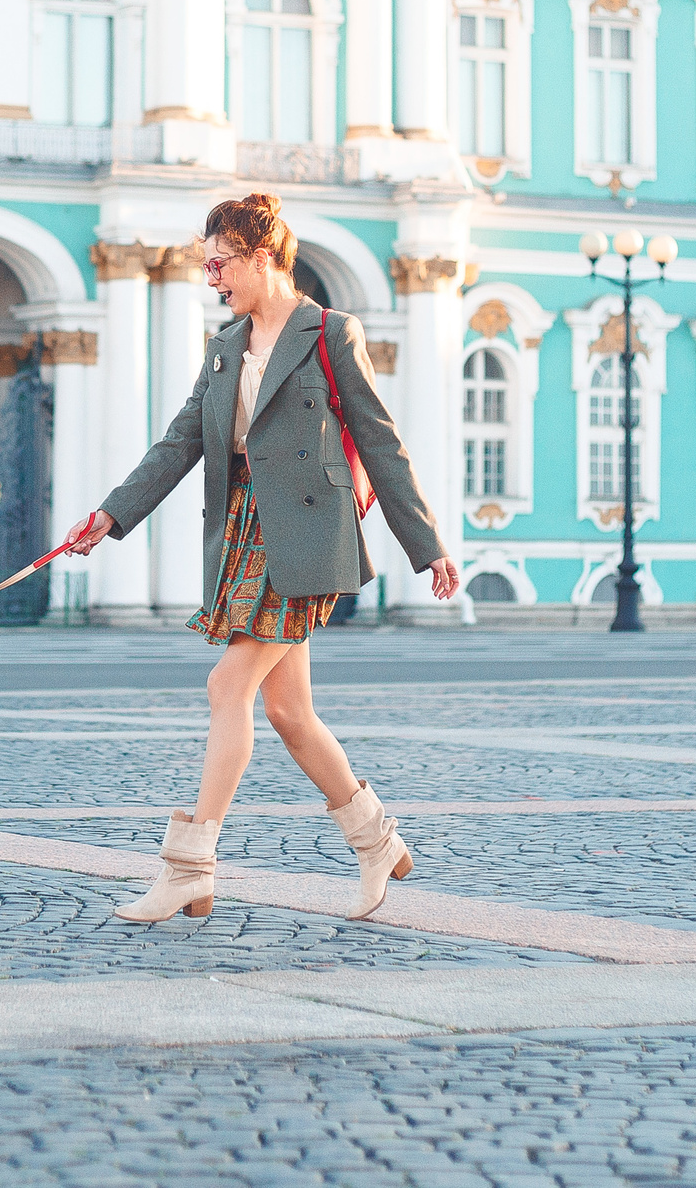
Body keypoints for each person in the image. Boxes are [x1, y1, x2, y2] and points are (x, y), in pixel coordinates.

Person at [63, 195, 458, 924]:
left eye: (221, 263)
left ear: (261, 256)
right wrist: (111, 515)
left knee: (227, 686)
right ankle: (376, 842)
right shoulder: (224, 345)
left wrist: (425, 544)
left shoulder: (332, 333)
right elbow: (180, 441)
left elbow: (380, 441)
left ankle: (188, 865)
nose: (212, 276)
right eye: (207, 264)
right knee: (290, 710)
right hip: (245, 529)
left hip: (308, 531)